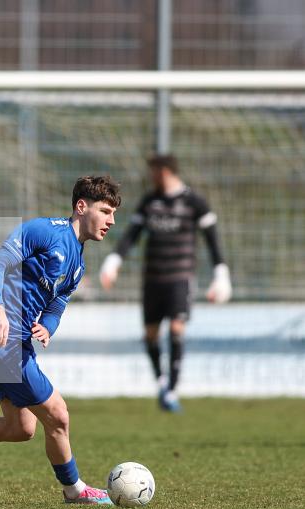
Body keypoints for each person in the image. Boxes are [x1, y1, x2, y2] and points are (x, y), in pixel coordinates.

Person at [0, 175, 122, 505]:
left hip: (16, 343)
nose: (111, 221)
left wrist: (48, 327)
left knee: (20, 428)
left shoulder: (78, 263)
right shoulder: (45, 231)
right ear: (81, 207)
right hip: (2, 337)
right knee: (58, 414)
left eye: (114, 213)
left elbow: (57, 304)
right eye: (106, 211)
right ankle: (75, 490)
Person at [99, 155, 231, 412]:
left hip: (179, 278)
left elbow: (212, 239)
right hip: (152, 279)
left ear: (167, 171)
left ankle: (172, 389)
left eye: (155, 172)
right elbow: (132, 235)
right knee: (151, 334)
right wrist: (114, 260)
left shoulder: (195, 202)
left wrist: (221, 273)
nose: (152, 177)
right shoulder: (150, 202)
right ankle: (161, 381)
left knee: (177, 329)